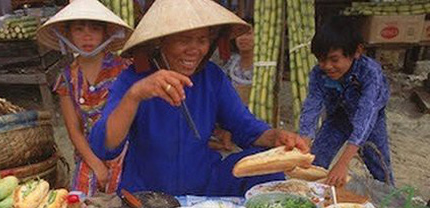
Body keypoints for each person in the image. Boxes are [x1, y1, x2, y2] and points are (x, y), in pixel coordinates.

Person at [89, 0, 308, 197]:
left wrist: (276, 137)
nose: (195, 50)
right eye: (184, 40)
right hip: (148, 193)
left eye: (202, 40)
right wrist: (135, 95)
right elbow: (104, 147)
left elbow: (245, 127)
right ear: (160, 41)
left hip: (204, 185)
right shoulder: (133, 78)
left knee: (269, 169)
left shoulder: (212, 77)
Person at [37, 0, 132, 196]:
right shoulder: (66, 78)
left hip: (125, 151)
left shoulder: (124, 69)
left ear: (106, 33)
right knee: (82, 206)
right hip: (89, 153)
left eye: (95, 29)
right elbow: (74, 130)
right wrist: (96, 164)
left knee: (127, 204)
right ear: (67, 34)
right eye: (79, 29)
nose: (87, 36)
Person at [299, 16, 393, 187]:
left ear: (357, 51)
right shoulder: (318, 74)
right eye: (321, 59)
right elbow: (311, 108)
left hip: (371, 119)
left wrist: (343, 163)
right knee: (315, 160)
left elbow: (366, 116)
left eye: (334, 59)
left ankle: (393, 206)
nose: (327, 66)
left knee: (379, 165)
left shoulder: (370, 73)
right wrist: (304, 143)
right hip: (338, 116)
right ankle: (314, 202)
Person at [222, 17, 254, 105]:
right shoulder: (232, 63)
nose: (243, 38)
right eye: (240, 34)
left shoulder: (263, 66)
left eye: (248, 34)